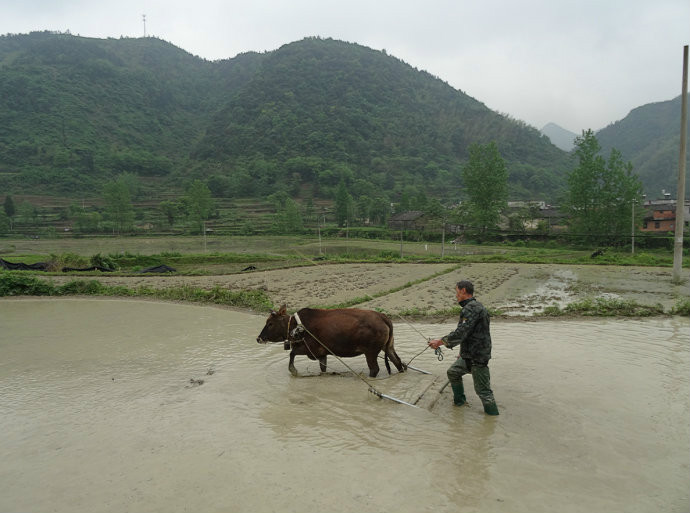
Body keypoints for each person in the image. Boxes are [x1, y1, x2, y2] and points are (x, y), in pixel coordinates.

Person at [428, 280, 499, 415]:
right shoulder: (475, 307)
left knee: (484, 392)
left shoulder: (471, 308)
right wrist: (462, 352)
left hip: (477, 357)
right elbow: (469, 334)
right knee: (453, 372)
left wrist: (440, 342)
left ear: (464, 291)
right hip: (469, 354)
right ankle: (459, 403)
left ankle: (493, 418)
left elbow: (462, 332)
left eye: (457, 292)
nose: (456, 295)